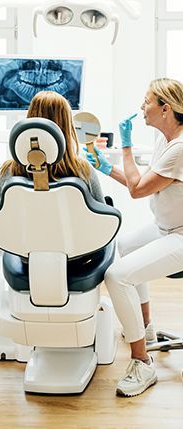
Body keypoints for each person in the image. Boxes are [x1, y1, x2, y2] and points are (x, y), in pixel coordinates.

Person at [86, 77, 183, 397]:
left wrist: (124, 145)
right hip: (166, 227)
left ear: (165, 109)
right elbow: (140, 180)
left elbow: (138, 191)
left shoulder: (180, 148)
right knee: (123, 248)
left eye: (147, 102)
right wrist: (105, 167)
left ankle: (142, 361)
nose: (142, 107)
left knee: (117, 276)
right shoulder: (165, 140)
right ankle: (146, 329)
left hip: (181, 236)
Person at [0, 90, 105, 204]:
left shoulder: (6, 172)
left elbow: (2, 217)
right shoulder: (83, 170)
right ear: (67, 127)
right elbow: (103, 217)